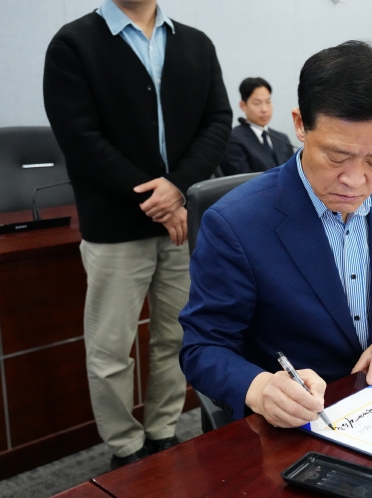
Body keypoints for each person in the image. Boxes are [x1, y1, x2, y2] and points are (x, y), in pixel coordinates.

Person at [179, 41, 372, 429]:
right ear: (301, 124)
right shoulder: (235, 223)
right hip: (299, 421)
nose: (356, 180)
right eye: (337, 156)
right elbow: (203, 347)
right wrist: (260, 388)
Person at [43, 0, 231, 469]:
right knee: (110, 348)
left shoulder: (196, 43)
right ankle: (125, 445)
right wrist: (156, 198)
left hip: (182, 222)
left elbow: (217, 122)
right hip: (115, 227)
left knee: (176, 335)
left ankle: (163, 430)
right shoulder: (74, 44)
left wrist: (178, 187)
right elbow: (79, 138)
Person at [220, 77, 295, 176]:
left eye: (268, 102)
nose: (264, 109)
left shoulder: (282, 139)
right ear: (243, 105)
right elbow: (241, 179)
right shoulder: (233, 139)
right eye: (257, 103)